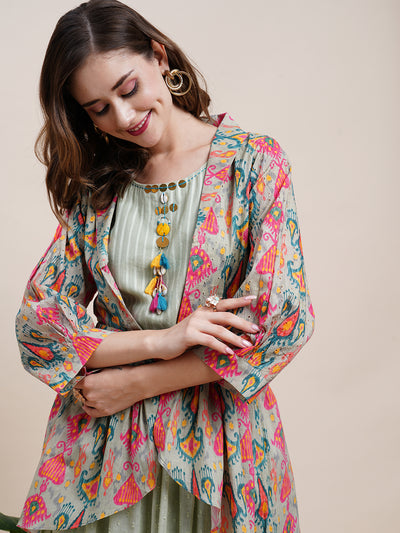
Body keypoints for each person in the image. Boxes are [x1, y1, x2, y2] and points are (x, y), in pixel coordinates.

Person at [15, 0, 315, 532]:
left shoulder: (253, 165)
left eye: (128, 88)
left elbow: (278, 322)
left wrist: (135, 383)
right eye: (98, 109)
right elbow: (40, 328)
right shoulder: (98, 189)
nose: (123, 117)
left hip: (222, 448)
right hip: (103, 457)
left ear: (158, 56)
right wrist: (165, 340)